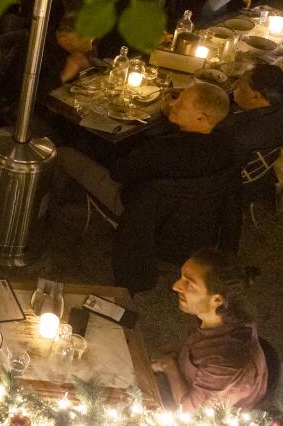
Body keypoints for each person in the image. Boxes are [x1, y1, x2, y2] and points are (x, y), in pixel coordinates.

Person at [59, 84, 237, 293]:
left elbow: (119, 173)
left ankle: (48, 215)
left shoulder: (163, 151)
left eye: (180, 104)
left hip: (139, 211)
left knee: (64, 153)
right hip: (194, 218)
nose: (173, 104)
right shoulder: (227, 147)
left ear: (200, 118)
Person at [152, 250, 268, 410]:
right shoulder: (216, 318)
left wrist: (169, 366)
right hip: (193, 382)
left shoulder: (226, 361)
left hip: (209, 422)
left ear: (217, 299)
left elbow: (189, 412)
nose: (175, 286)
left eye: (189, 284)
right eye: (181, 277)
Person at [220, 64, 283, 249]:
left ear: (256, 95)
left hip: (237, 183)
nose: (235, 84)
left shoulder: (242, 134)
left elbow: (221, 166)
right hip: (263, 175)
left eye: (241, 83)